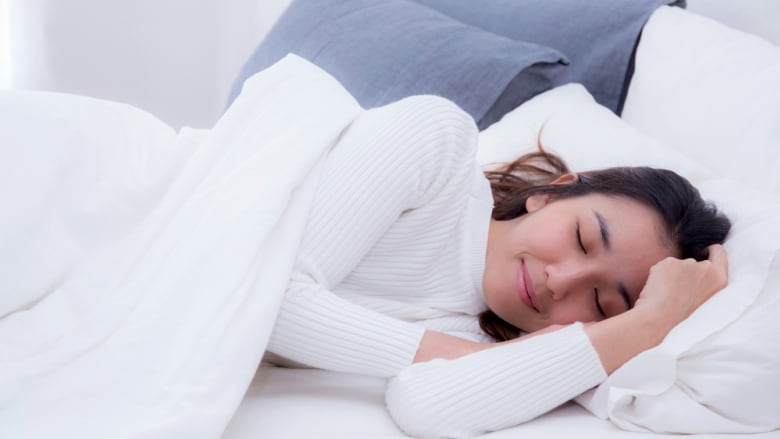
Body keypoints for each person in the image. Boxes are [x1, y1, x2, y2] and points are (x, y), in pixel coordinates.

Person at [263, 95, 731, 437]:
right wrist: (476, 358)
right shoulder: (436, 144)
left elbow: (427, 409)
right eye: (581, 239)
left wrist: (650, 323)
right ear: (552, 192)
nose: (560, 281)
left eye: (601, 302)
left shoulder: (484, 337)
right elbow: (261, 295)